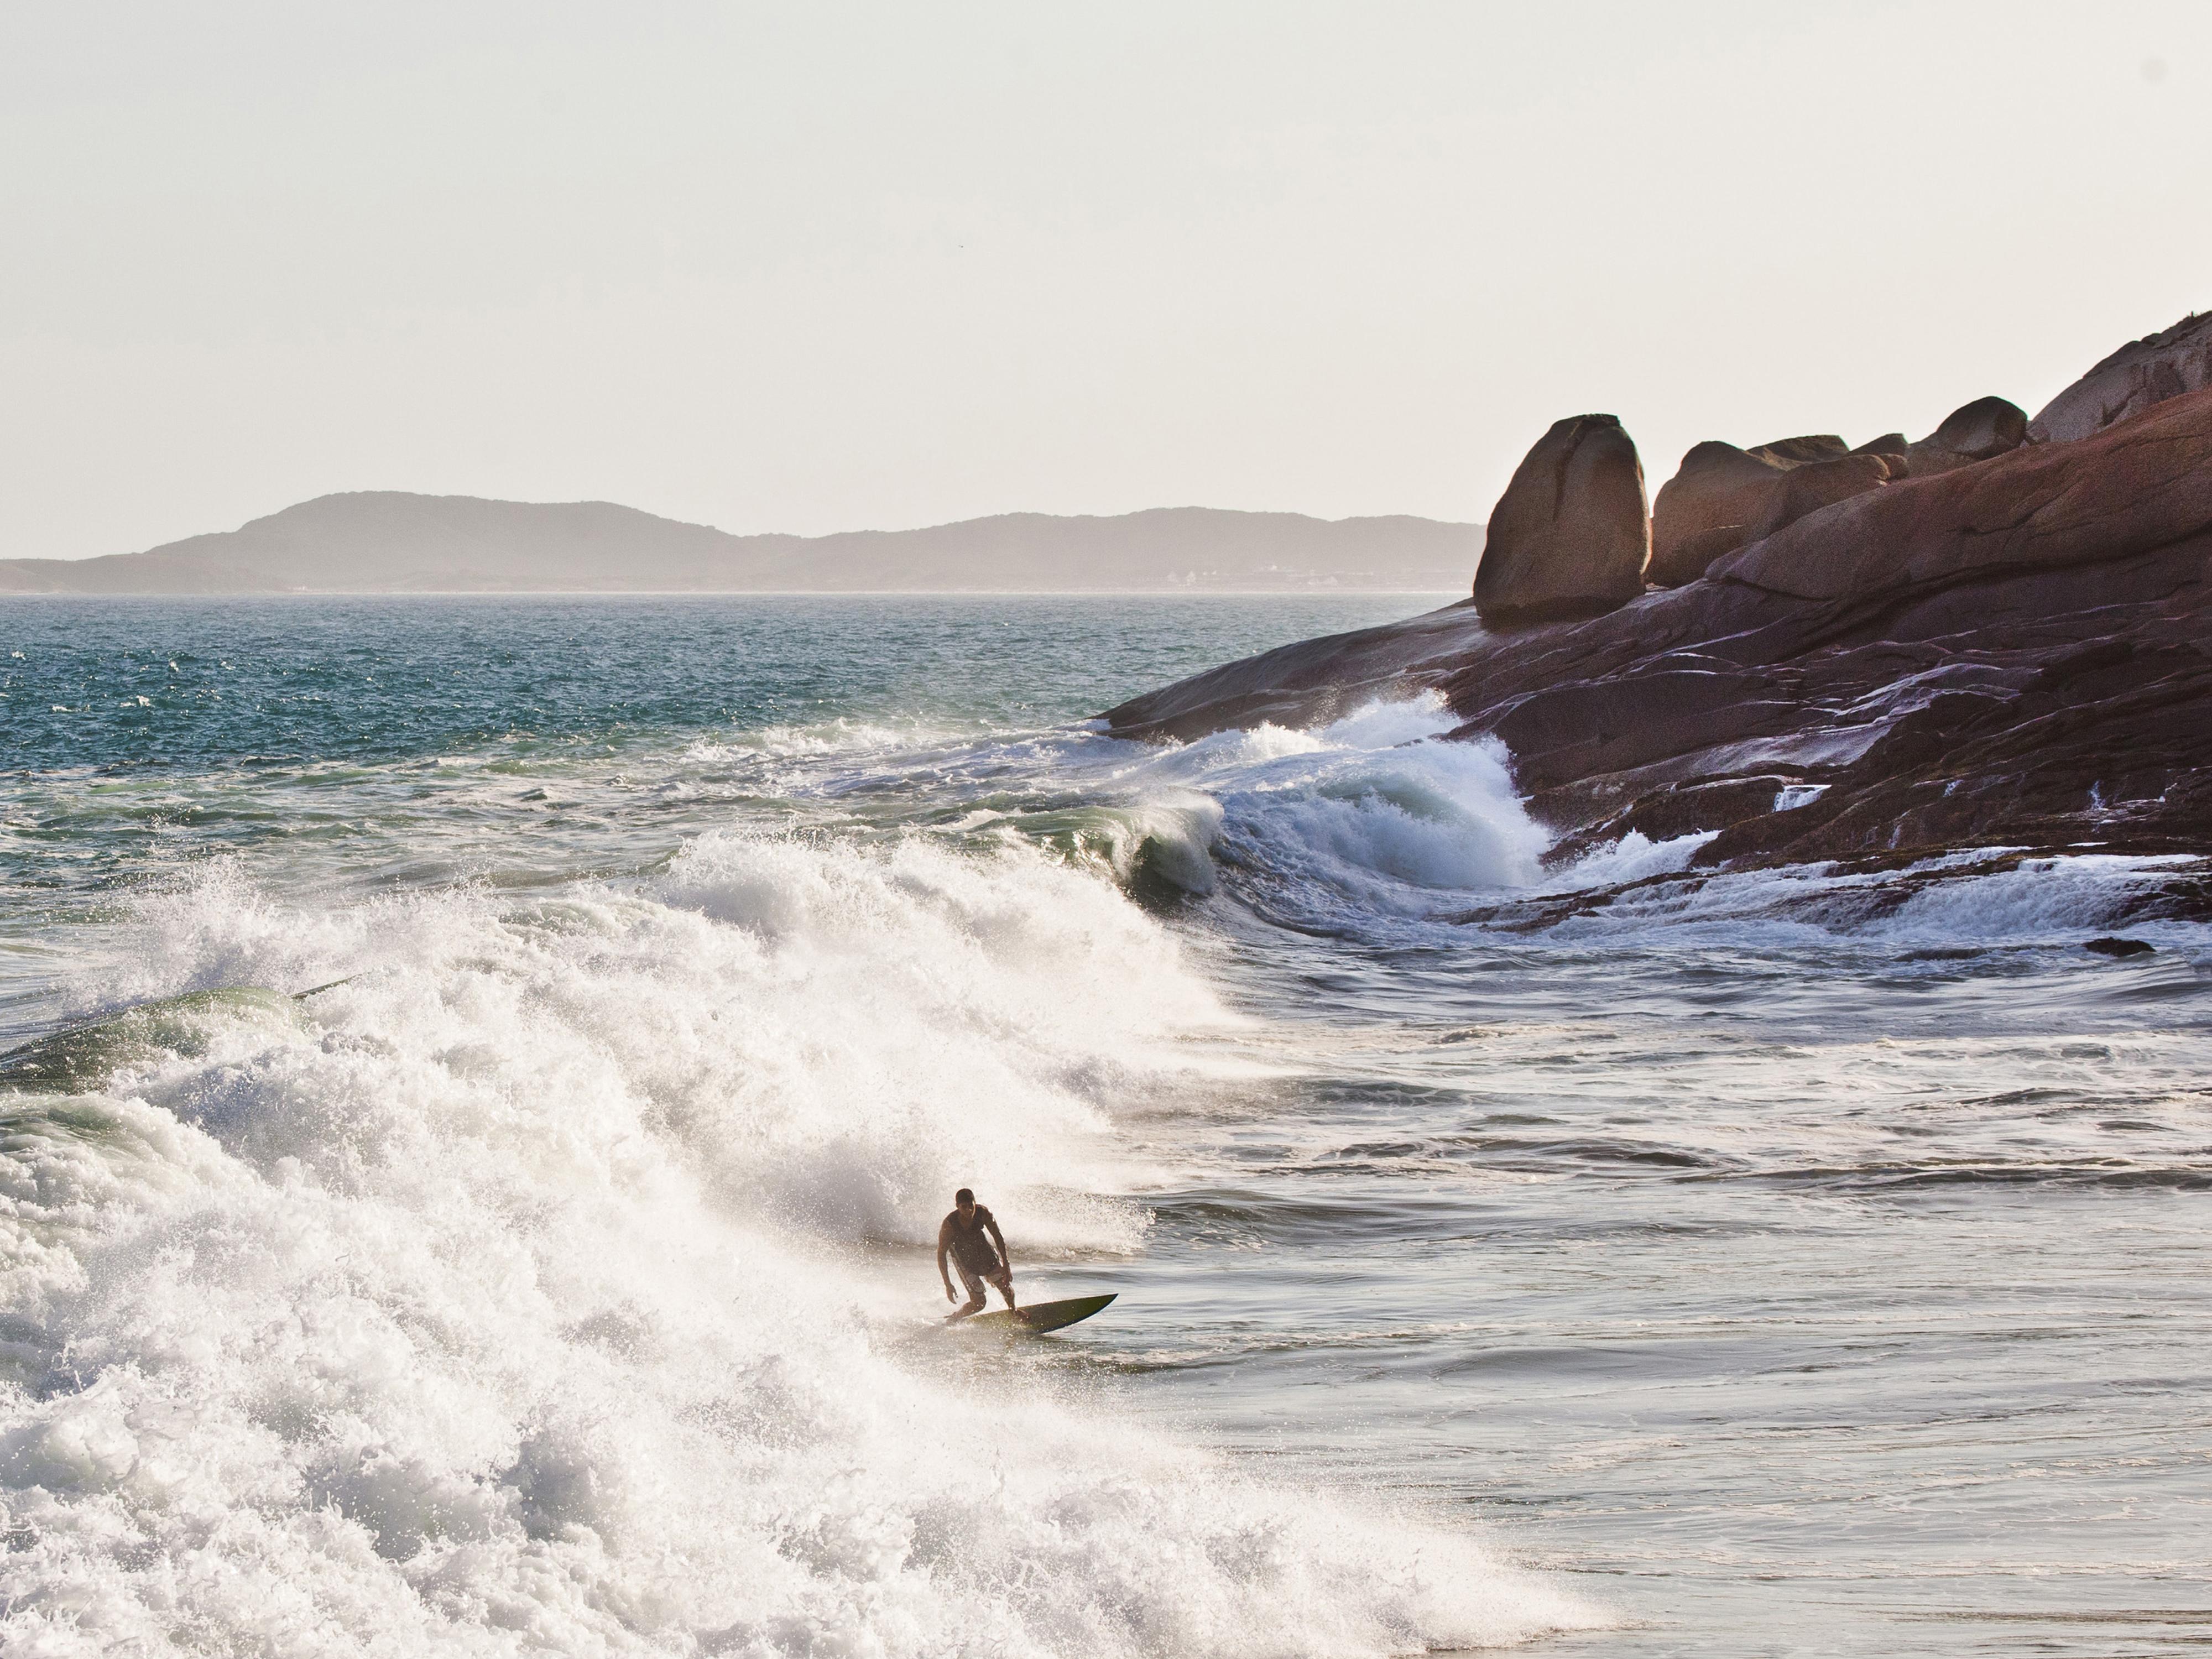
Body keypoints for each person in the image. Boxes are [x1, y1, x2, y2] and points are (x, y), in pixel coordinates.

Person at [937, 1187, 1016, 1319]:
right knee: (979, 1304)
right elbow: (941, 1255)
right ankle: (956, 1317)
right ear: (958, 1207)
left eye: (971, 1206)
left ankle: (1013, 1312)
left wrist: (1006, 1265)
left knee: (1006, 1289)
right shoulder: (949, 1225)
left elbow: (998, 1237)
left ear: (975, 1203)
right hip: (964, 1261)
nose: (968, 1210)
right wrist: (948, 1284)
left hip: (985, 1254)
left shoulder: (983, 1213)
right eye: (964, 1207)